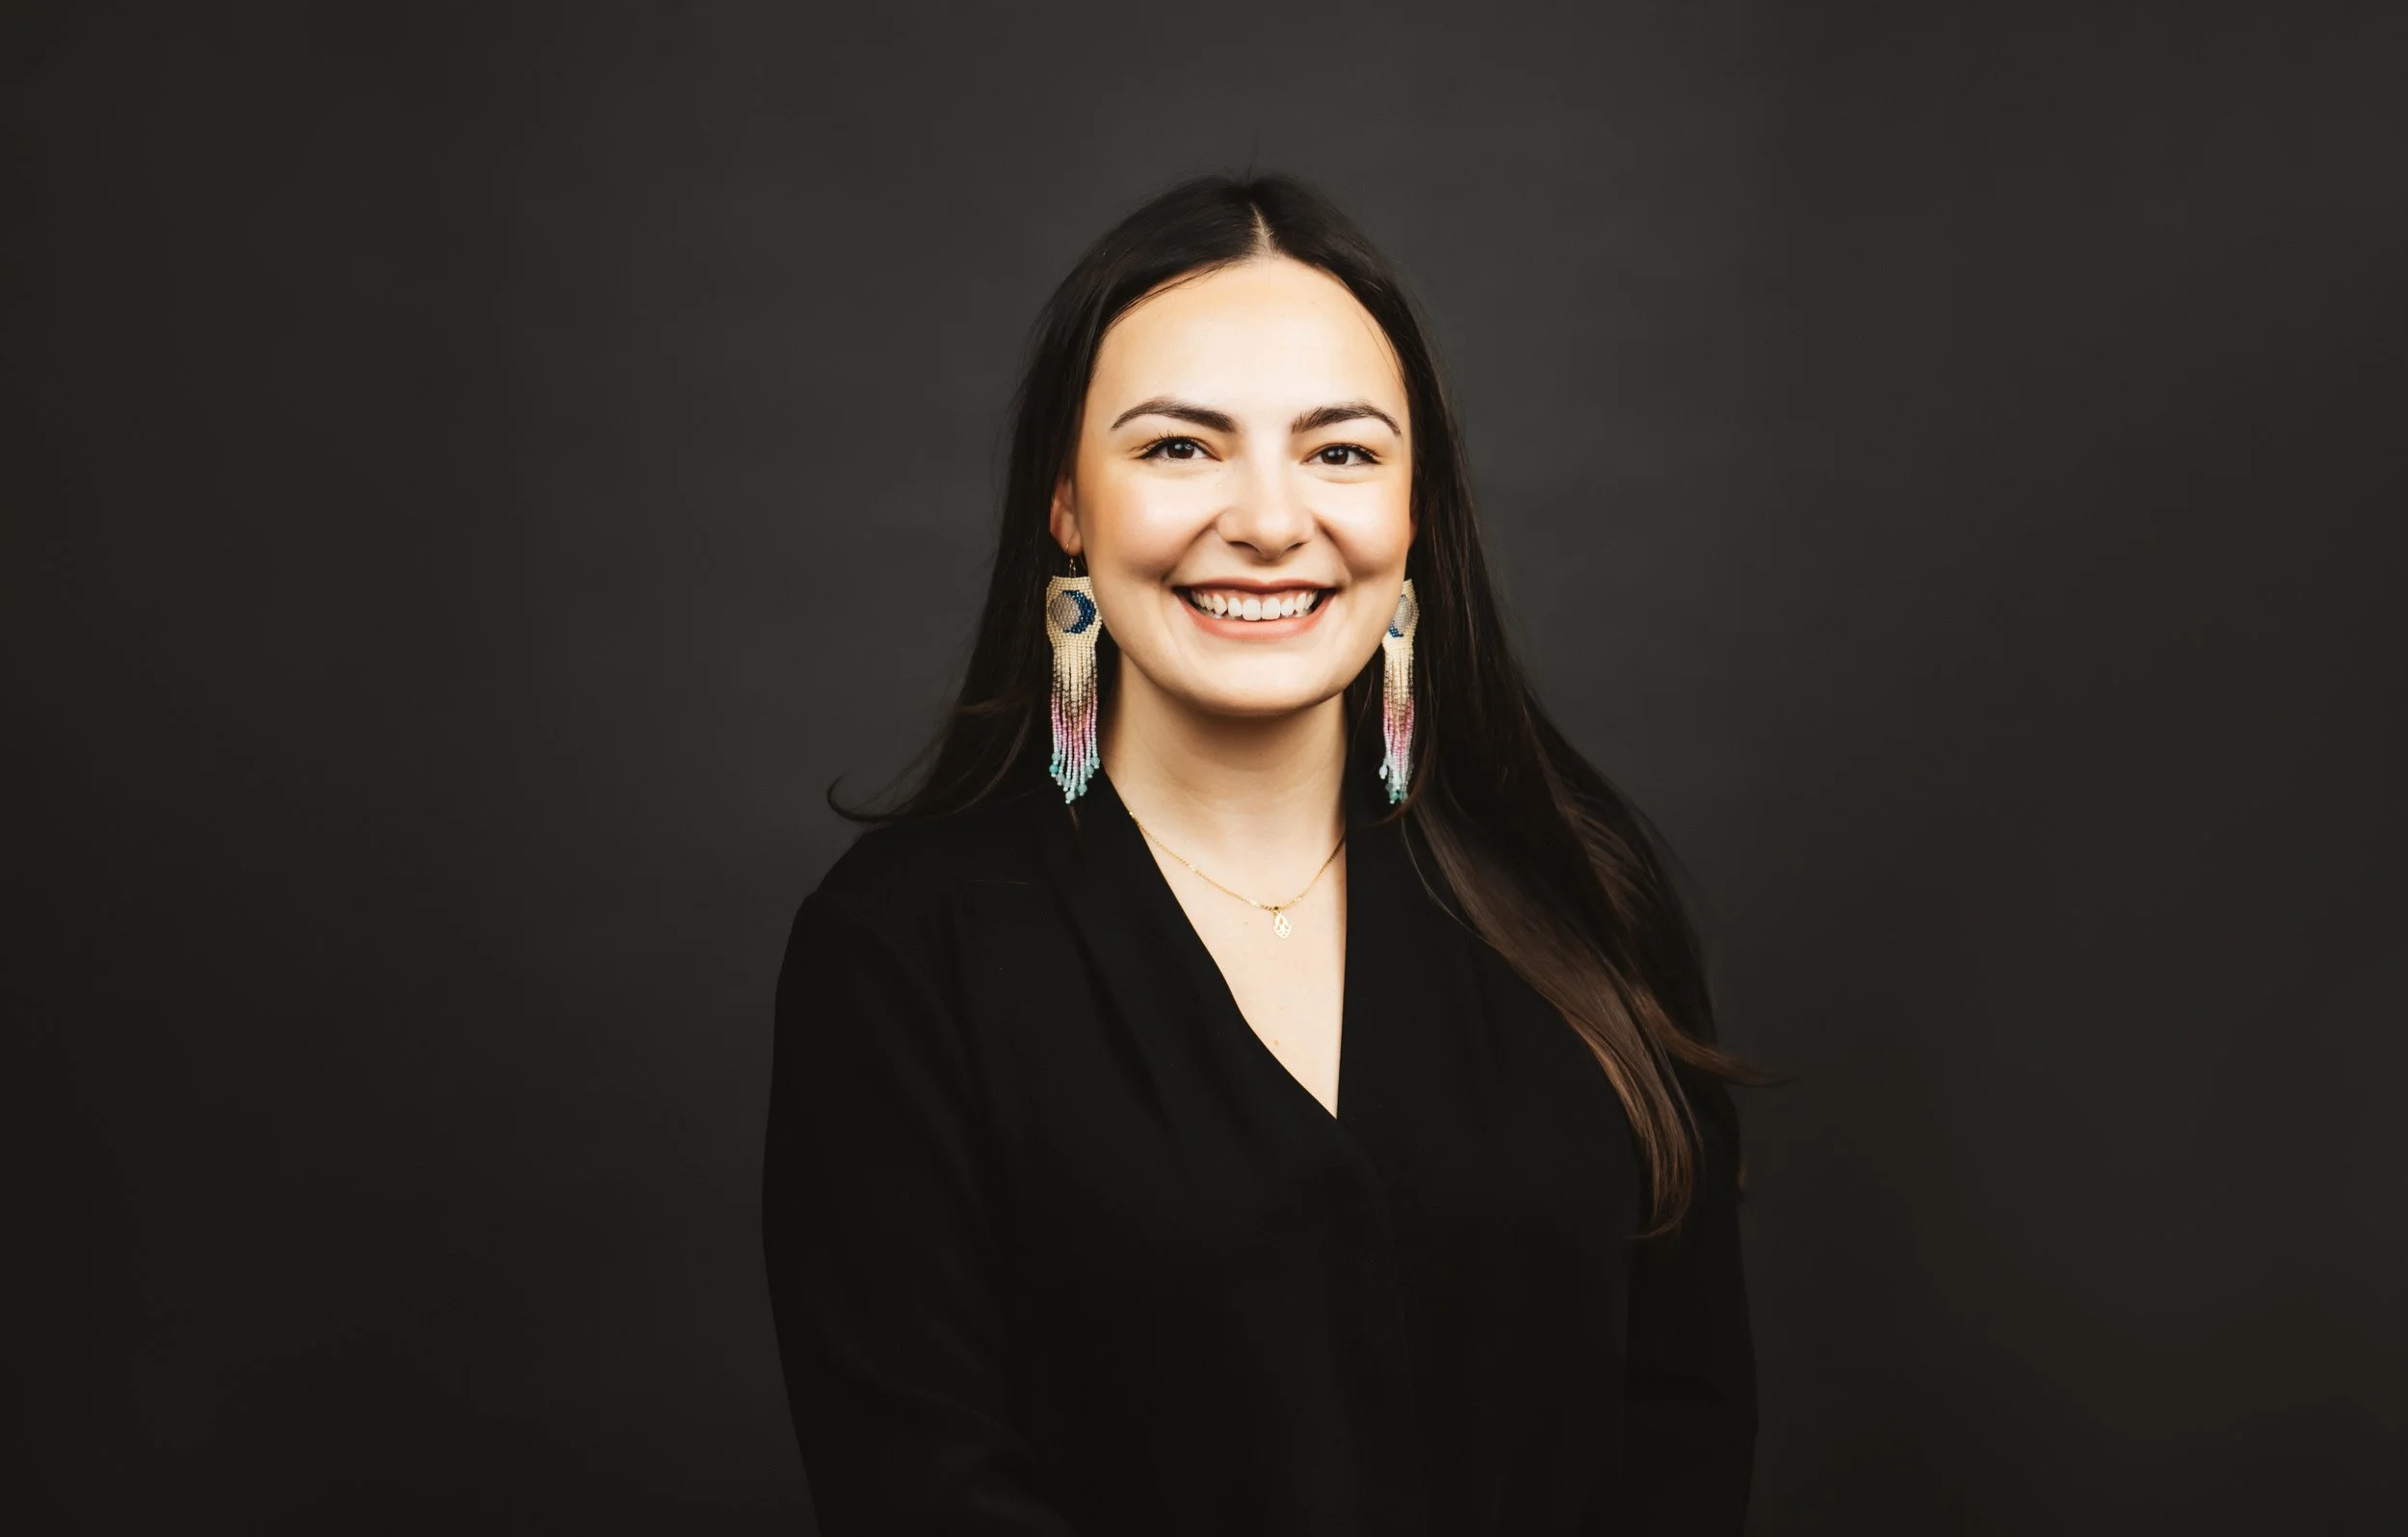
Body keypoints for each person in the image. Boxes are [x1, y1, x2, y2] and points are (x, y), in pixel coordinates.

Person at [761, 170, 1767, 1536]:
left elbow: (1686, 1438)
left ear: (1418, 513)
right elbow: (918, 1485)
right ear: (1067, 502)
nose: (1272, 519)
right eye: (1180, 448)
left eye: (1341, 452)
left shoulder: (1587, 910)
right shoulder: (901, 953)